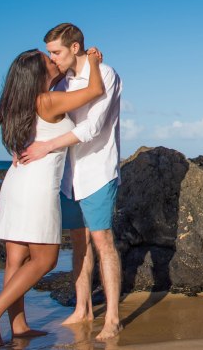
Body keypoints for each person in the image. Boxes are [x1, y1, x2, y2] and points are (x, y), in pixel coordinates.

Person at [0, 47, 105, 345]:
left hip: (16, 183)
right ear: (37, 73)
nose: (54, 60)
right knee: (45, 260)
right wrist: (94, 61)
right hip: (37, 187)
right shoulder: (47, 100)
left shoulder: (16, 105)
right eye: (49, 60)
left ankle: (19, 327)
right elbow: (95, 90)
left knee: (16, 261)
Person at [18, 23, 124, 341]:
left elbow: (92, 128)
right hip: (69, 176)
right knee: (78, 243)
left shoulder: (105, 74)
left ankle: (113, 318)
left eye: (56, 52)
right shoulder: (61, 83)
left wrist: (46, 147)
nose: (52, 58)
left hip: (98, 171)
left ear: (74, 48)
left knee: (103, 242)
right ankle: (83, 309)